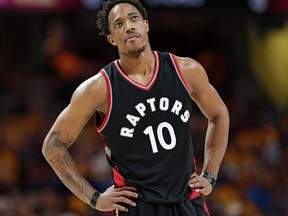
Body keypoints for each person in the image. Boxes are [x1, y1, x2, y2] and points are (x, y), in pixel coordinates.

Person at [42, 0, 230, 215]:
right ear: (112, 39)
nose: (129, 26)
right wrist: (94, 198)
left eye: (133, 18)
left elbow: (219, 113)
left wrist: (210, 174)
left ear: (146, 25)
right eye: (119, 24)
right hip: (136, 207)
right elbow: (53, 145)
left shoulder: (186, 70)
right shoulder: (99, 88)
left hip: (188, 201)